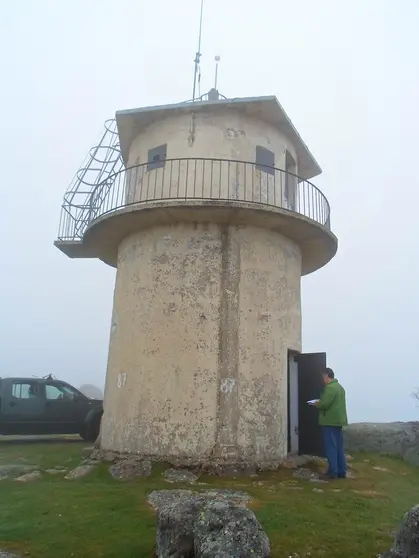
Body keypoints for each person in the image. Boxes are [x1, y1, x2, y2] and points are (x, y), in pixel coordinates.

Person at [313, 367, 348, 480]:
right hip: (338, 421)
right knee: (338, 447)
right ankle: (341, 471)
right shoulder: (340, 388)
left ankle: (333, 472)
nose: (322, 380)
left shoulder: (330, 389)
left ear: (327, 376)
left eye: (323, 377)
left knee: (331, 447)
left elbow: (325, 404)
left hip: (329, 421)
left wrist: (317, 403)